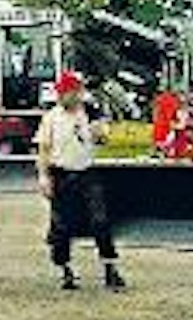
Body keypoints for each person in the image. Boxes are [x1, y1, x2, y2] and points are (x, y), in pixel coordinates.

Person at [36, 70, 126, 292]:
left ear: (77, 93)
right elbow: (44, 149)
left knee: (100, 220)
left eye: (67, 93)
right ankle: (65, 269)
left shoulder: (91, 114)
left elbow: (103, 138)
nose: (62, 97)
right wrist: (43, 176)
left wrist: (98, 133)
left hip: (86, 172)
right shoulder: (52, 117)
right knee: (61, 225)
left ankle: (110, 267)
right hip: (61, 173)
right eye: (61, 93)